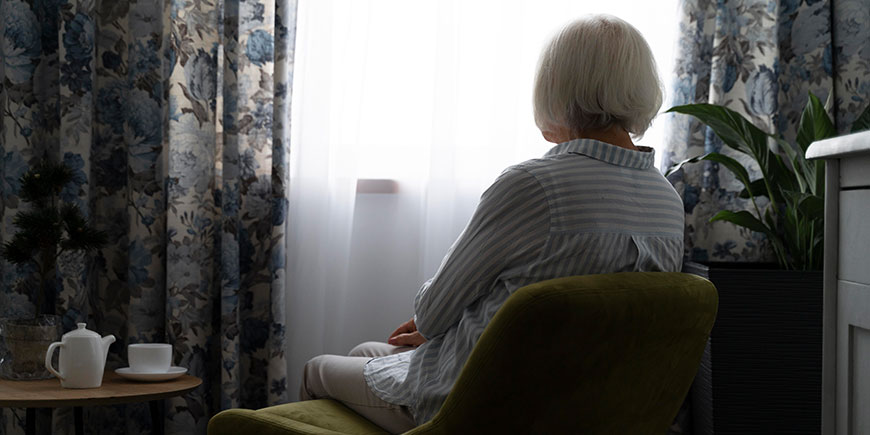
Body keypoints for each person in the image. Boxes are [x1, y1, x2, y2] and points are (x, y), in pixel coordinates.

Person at [299, 14, 684, 434]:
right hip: (591, 408)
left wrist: (432, 325)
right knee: (367, 353)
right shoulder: (667, 201)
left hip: (486, 404)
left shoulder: (534, 185)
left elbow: (432, 311)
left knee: (318, 369)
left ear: (555, 86)